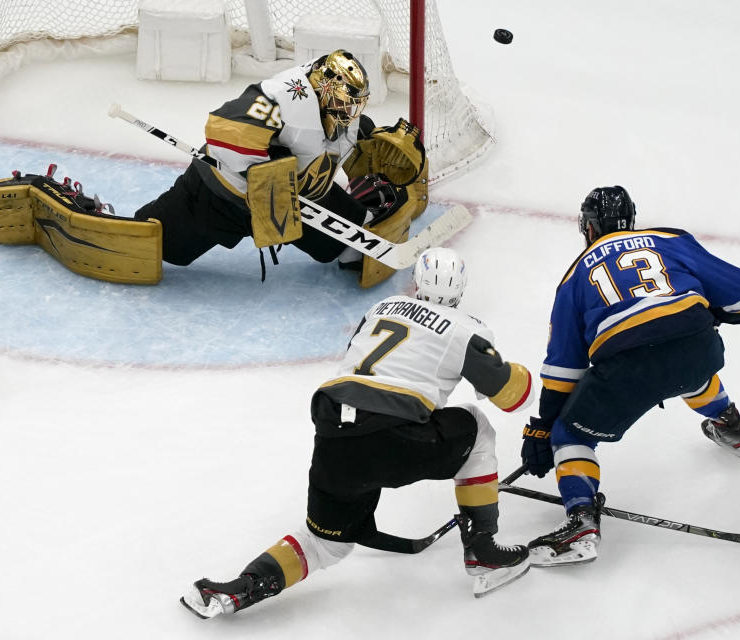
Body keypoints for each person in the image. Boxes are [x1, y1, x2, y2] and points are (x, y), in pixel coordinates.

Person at [181, 247, 535, 618]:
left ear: (415, 283)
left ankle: (241, 588)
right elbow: (514, 397)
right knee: (476, 425)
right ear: (460, 291)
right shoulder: (466, 329)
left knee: (324, 544)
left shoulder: (382, 308)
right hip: (395, 437)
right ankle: (483, 550)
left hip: (335, 437)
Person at [520, 186, 740, 567]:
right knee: (689, 373)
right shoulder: (671, 240)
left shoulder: (575, 276)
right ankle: (732, 428)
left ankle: (581, 523)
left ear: (588, 228)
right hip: (698, 346)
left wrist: (545, 428)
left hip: (629, 369)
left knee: (571, 435)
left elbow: (564, 371)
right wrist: (704, 319)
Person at [133, 49, 427, 281]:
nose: (350, 112)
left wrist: (369, 143)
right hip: (221, 195)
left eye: (354, 104)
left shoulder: (337, 111)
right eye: (344, 104)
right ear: (324, 91)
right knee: (161, 245)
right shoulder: (284, 96)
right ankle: (108, 223)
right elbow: (225, 124)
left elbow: (341, 143)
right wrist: (264, 172)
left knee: (341, 248)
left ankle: (354, 245)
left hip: (297, 202)